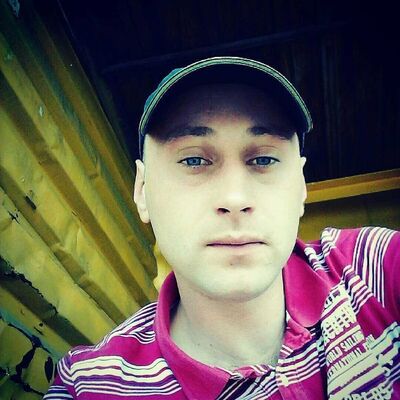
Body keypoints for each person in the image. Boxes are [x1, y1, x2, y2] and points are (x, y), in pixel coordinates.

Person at [44, 57, 399, 399]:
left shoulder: (374, 269)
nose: (234, 198)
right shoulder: (91, 386)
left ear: (301, 186)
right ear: (142, 191)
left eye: (264, 159)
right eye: (193, 160)